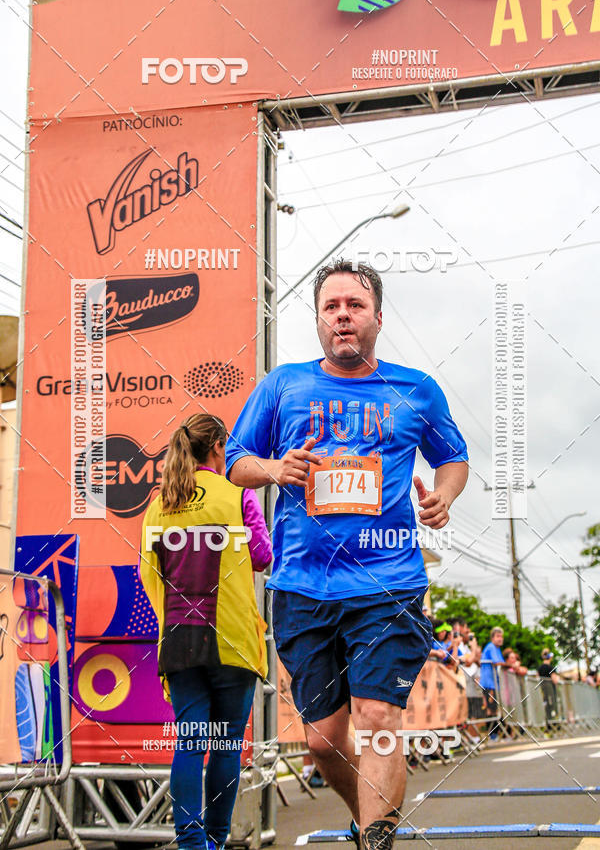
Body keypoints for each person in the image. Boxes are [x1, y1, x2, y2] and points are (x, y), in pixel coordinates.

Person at [226, 260, 469, 850]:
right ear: (317, 320)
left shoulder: (414, 389)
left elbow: (453, 457)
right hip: (303, 587)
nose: (342, 315)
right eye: (331, 307)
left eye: (355, 306)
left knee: (379, 720)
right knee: (322, 740)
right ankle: (369, 817)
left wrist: (443, 496)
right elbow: (236, 460)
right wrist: (275, 468)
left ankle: (377, 841)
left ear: (377, 318)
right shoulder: (283, 386)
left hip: (388, 581)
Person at [139, 414, 272, 850]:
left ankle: (191, 844)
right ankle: (215, 840)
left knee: (192, 742)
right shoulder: (238, 497)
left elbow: (148, 574)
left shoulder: (159, 505)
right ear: (217, 447)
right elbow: (262, 557)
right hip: (233, 638)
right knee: (228, 744)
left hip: (180, 639)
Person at [479, 627, 505, 741]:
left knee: (495, 709)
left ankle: (496, 733)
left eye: (501, 636)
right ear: (493, 637)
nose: (500, 639)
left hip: (494, 683)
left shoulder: (497, 649)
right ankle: (492, 734)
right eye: (498, 636)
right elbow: (497, 663)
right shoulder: (491, 647)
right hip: (489, 683)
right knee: (491, 709)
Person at [538, 648, 560, 731]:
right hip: (550, 689)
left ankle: (548, 723)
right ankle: (553, 724)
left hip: (543, 689)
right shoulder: (550, 667)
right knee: (552, 705)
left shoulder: (540, 668)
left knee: (546, 705)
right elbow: (555, 680)